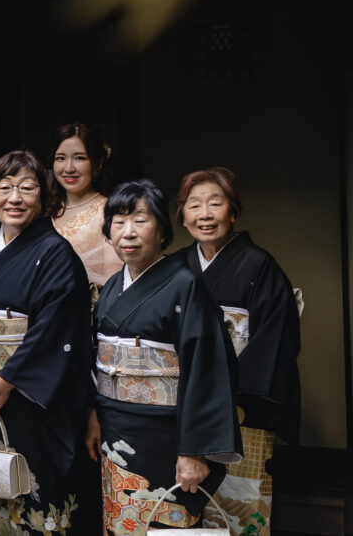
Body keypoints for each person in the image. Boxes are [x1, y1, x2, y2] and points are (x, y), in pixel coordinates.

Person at [85, 179, 242, 535]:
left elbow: (208, 369)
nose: (128, 232)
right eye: (119, 221)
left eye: (140, 220)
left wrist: (195, 450)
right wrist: (94, 412)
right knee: (121, 521)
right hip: (116, 430)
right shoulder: (112, 286)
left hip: (167, 438)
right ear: (107, 231)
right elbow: (98, 361)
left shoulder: (184, 284)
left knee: (166, 525)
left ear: (162, 230)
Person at [0, 150, 94, 535]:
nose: (15, 197)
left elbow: (56, 330)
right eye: (5, 186)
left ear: (44, 196)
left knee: (31, 496)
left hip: (27, 400)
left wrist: (7, 381)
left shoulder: (56, 255)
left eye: (27, 188)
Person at [177, 168, 300, 536]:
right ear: (182, 217)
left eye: (216, 203)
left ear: (233, 211)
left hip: (240, 407)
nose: (205, 214)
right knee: (184, 509)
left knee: (239, 512)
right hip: (184, 407)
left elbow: (276, 340)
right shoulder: (176, 267)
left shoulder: (259, 265)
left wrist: (224, 395)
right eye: (194, 205)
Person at [46, 121, 122, 289]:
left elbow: (113, 284)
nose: (68, 168)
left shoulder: (110, 211)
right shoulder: (43, 211)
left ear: (98, 163)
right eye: (60, 158)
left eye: (79, 158)